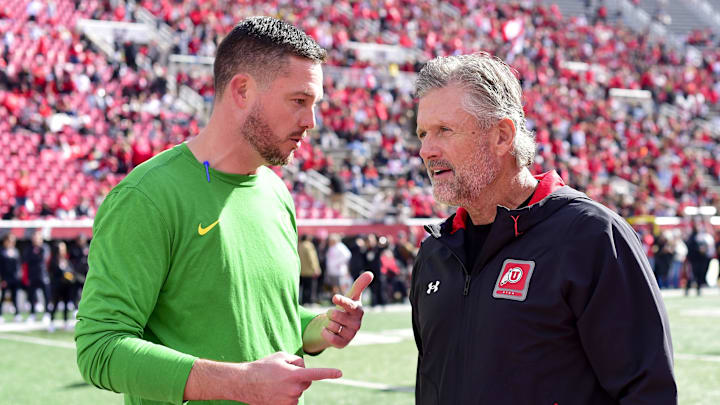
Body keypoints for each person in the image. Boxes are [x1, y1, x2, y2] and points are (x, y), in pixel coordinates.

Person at [75, 17, 373, 405]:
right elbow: (99, 348)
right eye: (299, 101)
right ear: (243, 90)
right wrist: (241, 383)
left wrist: (320, 328)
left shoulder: (275, 191)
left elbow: (262, 319)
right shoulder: (147, 196)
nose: (311, 122)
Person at [410, 52, 676, 404]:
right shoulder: (435, 251)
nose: (426, 150)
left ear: (502, 136)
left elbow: (647, 392)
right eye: (423, 133)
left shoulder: (591, 237)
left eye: (444, 130)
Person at [47, 241, 76, 332]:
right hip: (56, 287)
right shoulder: (53, 260)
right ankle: (51, 323)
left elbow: (71, 271)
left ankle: (66, 322)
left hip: (66, 287)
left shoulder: (66, 260)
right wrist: (63, 275)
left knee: (66, 305)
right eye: (61, 248)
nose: (63, 250)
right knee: (54, 305)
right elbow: (54, 272)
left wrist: (70, 276)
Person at [23, 229, 51, 320]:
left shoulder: (45, 248)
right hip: (32, 275)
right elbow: (27, 262)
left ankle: (47, 313)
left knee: (46, 296)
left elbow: (44, 259)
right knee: (31, 296)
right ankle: (32, 314)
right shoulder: (29, 249)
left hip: (43, 275)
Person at [0, 233, 22, 322]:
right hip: (6, 278)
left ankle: (17, 314)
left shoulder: (16, 251)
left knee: (15, 297)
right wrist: (2, 279)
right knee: (3, 297)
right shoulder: (1, 252)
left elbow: (18, 265)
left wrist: (19, 275)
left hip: (15, 278)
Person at [298, 233, 321, 305]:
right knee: (309, 287)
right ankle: (308, 301)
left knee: (302, 287)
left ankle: (302, 301)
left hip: (301, 270)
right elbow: (312, 258)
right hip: (309, 271)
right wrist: (316, 269)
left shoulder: (299, 245)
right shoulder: (309, 246)